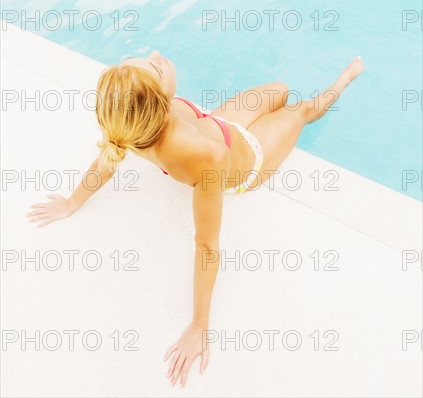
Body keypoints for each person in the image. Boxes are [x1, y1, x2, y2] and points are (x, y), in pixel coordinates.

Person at [27, 50, 364, 387]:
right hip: (247, 161)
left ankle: (288, 101)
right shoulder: (206, 156)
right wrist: (199, 325)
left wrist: (72, 203)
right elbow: (206, 245)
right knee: (301, 109)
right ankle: (346, 77)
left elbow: (106, 160)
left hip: (217, 125)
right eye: (155, 66)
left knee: (280, 89)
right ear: (160, 101)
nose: (157, 55)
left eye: (148, 59)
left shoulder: (131, 123)